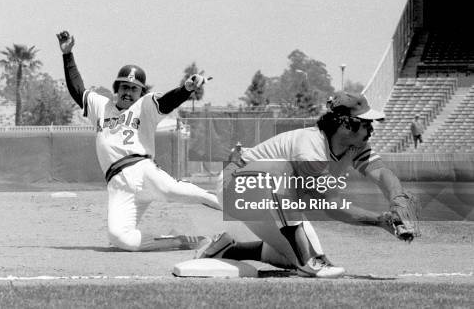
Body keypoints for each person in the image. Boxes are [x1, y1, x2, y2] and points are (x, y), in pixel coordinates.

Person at [196, 91, 417, 278]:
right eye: (366, 123)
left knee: (286, 258)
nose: (371, 129)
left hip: (267, 200)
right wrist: (378, 220)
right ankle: (308, 260)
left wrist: (396, 201)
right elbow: (332, 205)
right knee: (281, 172)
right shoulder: (310, 147)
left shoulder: (354, 146)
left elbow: (382, 173)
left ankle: (227, 248)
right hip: (234, 187)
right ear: (346, 125)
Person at [56, 30, 220, 251]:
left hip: (142, 170)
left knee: (175, 192)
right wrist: (68, 55)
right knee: (119, 238)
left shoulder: (144, 106)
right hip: (118, 185)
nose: (128, 92)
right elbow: (77, 89)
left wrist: (186, 89)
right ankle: (179, 241)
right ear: (117, 89)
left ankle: (236, 206)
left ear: (141, 91)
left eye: (134, 88)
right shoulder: (101, 106)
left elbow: (167, 102)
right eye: (124, 87)